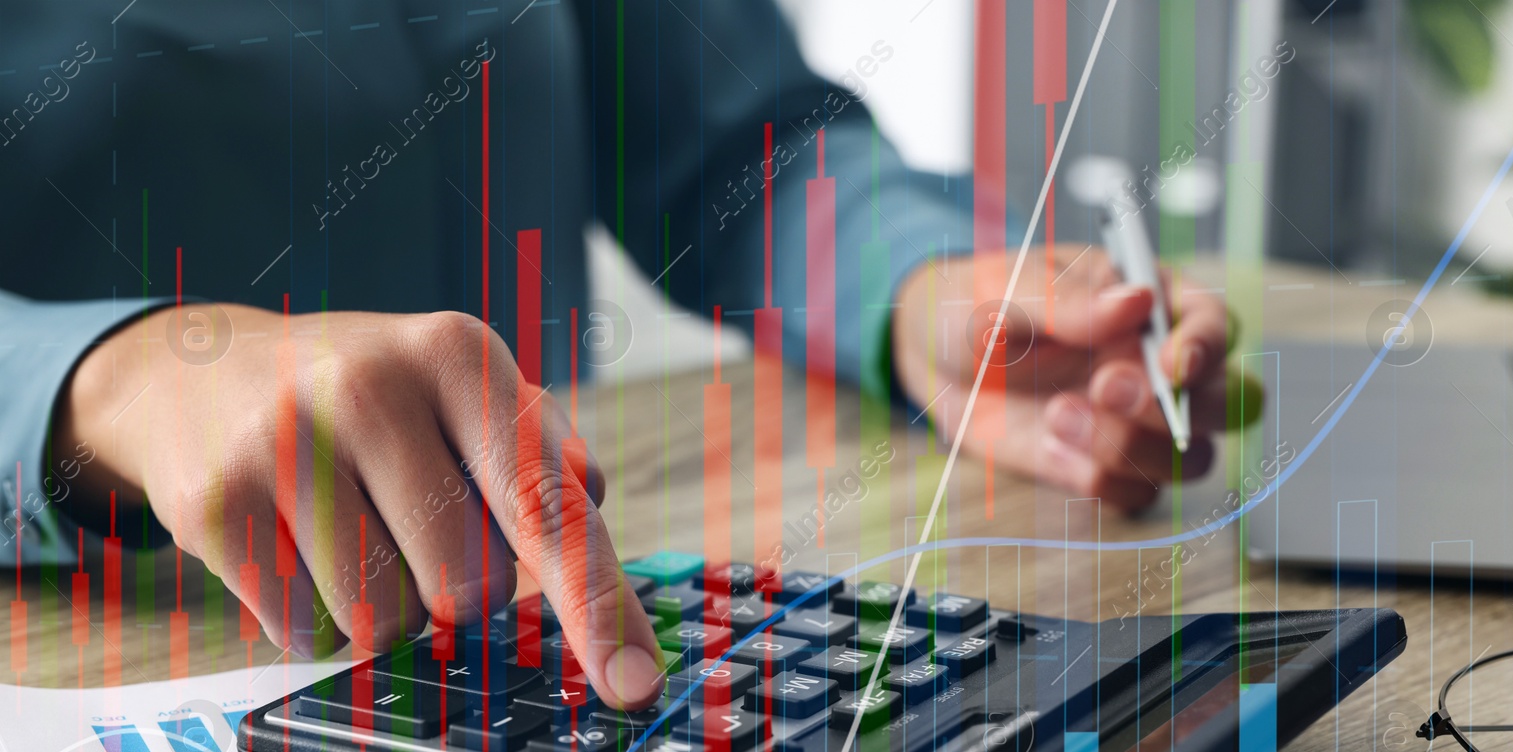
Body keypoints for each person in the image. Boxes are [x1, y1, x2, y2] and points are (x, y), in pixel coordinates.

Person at [0, 3, 1229, 710]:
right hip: (134, 652)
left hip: (550, 630)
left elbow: (735, 145)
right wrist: (106, 378)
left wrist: (914, 285)